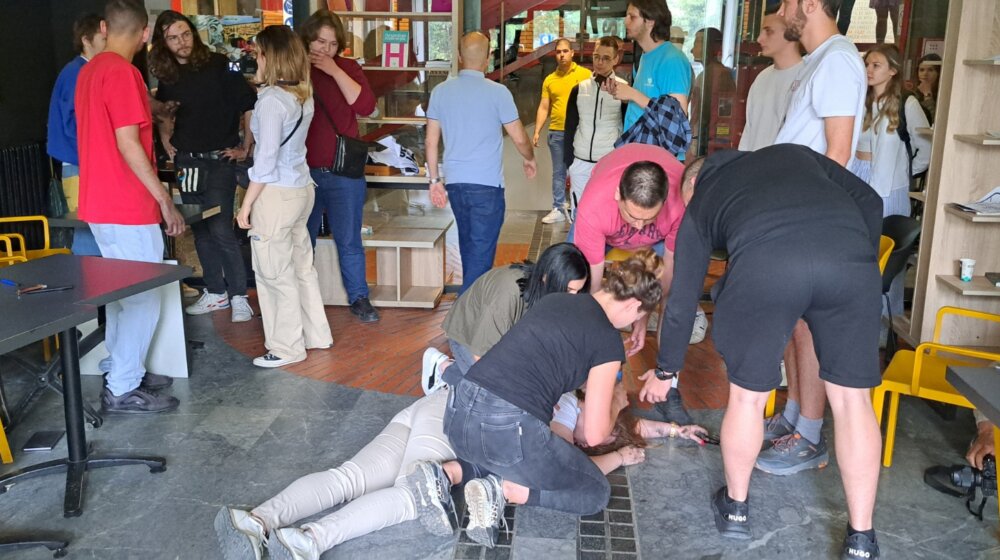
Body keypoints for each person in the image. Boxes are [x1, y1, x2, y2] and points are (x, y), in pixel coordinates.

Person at [650, 145, 884, 559]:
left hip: (767, 265)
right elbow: (870, 199)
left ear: (692, 182)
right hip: (851, 262)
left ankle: (736, 508)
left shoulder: (703, 197)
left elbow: (682, 301)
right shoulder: (796, 154)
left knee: (748, 396)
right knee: (852, 401)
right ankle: (861, 539)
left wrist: (666, 371)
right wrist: (860, 258)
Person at [438, 251, 663, 548]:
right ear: (634, 305)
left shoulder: (555, 300)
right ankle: (503, 489)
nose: (634, 321)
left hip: (458, 418)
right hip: (508, 433)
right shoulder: (607, 341)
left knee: (504, 453)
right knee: (595, 492)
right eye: (639, 316)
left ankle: (446, 475)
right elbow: (595, 435)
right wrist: (617, 402)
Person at [759, 0, 867, 476]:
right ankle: (793, 416)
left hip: (811, 218)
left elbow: (837, 152)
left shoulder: (840, 59)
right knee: (793, 325)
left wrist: (810, 220)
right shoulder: (819, 60)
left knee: (809, 328)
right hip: (793, 211)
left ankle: (809, 433)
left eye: (786, 3)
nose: (783, 11)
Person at [76, 0, 185, 413]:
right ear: (144, 34)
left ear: (104, 27)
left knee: (123, 296)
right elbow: (127, 142)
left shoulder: (89, 71)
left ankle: (125, 368)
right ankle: (122, 385)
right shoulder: (124, 73)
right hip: (126, 202)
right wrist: (164, 200)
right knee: (142, 296)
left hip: (99, 202)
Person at [570, 143, 703, 425]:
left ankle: (670, 388)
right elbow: (594, 291)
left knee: (676, 298)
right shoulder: (595, 206)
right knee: (575, 287)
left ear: (665, 202)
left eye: (649, 218)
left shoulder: (679, 204)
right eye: (633, 216)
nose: (640, 227)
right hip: (604, 229)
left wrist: (642, 316)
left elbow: (667, 276)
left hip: (661, 242)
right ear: (619, 194)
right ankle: (582, 379)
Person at [149, 10, 257, 323]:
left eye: (185, 34)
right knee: (200, 231)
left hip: (220, 159)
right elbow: (165, 112)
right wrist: (166, 139)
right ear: (164, 42)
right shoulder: (168, 76)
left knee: (221, 228)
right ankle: (216, 292)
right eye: (173, 37)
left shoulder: (220, 64)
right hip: (187, 161)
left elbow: (248, 105)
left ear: (194, 34)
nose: (181, 42)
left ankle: (239, 295)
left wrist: (245, 146)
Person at [236, 25, 332, 369]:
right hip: (301, 189)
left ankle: (287, 347)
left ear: (270, 57)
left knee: (274, 273)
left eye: (258, 53)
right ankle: (315, 334)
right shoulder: (300, 95)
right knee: (301, 267)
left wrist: (246, 204)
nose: (254, 59)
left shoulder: (272, 102)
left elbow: (265, 162)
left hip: (276, 195)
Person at [425, 31, 536, 294]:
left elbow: (430, 142)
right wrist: (529, 158)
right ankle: (465, 325)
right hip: (486, 187)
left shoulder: (440, 92)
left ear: (460, 57)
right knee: (480, 260)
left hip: (456, 184)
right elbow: (520, 137)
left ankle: (467, 317)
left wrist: (434, 182)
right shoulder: (499, 93)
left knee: (469, 249)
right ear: (488, 59)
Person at [300, 10, 380, 323]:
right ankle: (304, 300)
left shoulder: (347, 68)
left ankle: (359, 298)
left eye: (333, 44)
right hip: (303, 172)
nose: (325, 49)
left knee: (349, 240)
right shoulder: (296, 68)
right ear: (308, 39)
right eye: (320, 41)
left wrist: (334, 69)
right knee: (303, 241)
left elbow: (366, 106)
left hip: (344, 171)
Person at [431, 242, 590, 383]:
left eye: (578, 291)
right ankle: (442, 368)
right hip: (470, 337)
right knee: (490, 394)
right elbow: (482, 357)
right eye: (569, 290)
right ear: (547, 278)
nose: (573, 297)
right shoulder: (508, 292)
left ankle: (456, 371)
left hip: (508, 340)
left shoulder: (551, 291)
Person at [47, 13, 105, 257]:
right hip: (80, 162)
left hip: (83, 161)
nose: (109, 44)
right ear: (86, 40)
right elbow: (73, 124)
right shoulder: (77, 73)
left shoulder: (83, 70)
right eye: (104, 38)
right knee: (88, 227)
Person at [849, 44, 930, 218]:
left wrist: (906, 171)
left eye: (876, 65)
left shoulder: (907, 103)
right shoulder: (859, 101)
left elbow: (926, 147)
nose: (868, 69)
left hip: (889, 180)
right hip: (855, 171)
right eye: (866, 64)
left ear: (893, 70)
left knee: (883, 235)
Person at [562, 36, 628, 212]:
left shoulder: (624, 89)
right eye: (596, 56)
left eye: (606, 58)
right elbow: (569, 127)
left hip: (608, 163)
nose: (599, 62)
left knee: (606, 213)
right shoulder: (579, 89)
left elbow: (628, 128)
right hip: (580, 161)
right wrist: (569, 162)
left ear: (616, 59)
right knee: (579, 213)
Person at [615, 0, 692, 145]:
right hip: (640, 151)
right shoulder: (645, 56)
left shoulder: (672, 60)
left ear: (650, 21)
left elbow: (677, 118)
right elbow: (646, 102)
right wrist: (626, 95)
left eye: (632, 17)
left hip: (657, 158)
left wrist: (632, 94)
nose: (626, 22)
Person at [534, 38, 592, 224]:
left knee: (580, 170)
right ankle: (558, 208)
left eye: (565, 51)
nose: (562, 55)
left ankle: (581, 209)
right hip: (557, 132)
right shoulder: (549, 80)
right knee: (559, 172)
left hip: (580, 132)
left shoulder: (585, 75)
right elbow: (544, 107)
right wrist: (536, 131)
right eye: (558, 52)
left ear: (572, 53)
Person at [737, 10, 802, 151]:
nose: (760, 39)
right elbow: (749, 130)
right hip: (754, 165)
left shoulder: (806, 77)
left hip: (785, 167)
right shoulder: (762, 77)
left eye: (769, 31)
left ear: (791, 32)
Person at [688, 27, 736, 157]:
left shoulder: (719, 75)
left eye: (696, 42)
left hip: (707, 145)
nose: (692, 50)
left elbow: (722, 116)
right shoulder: (706, 75)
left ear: (709, 46)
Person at [912, 53, 941, 125]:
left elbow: (936, 123)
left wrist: (927, 95)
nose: (925, 74)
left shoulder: (944, 94)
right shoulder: (912, 94)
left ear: (939, 73)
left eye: (930, 70)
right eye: (921, 70)